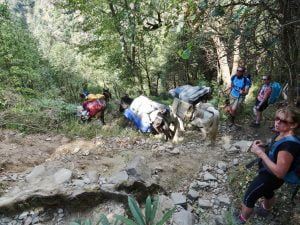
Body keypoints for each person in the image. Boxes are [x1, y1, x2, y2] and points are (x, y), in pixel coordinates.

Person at [235, 106, 300, 224]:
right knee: (268, 192)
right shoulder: (283, 134)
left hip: (269, 178)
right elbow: (277, 149)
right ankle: (266, 210)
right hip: (270, 178)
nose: (277, 122)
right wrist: (265, 146)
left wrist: (261, 154)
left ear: (294, 125)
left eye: (283, 121)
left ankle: (241, 219)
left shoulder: (289, 146)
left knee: (249, 196)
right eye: (277, 118)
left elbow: (280, 173)